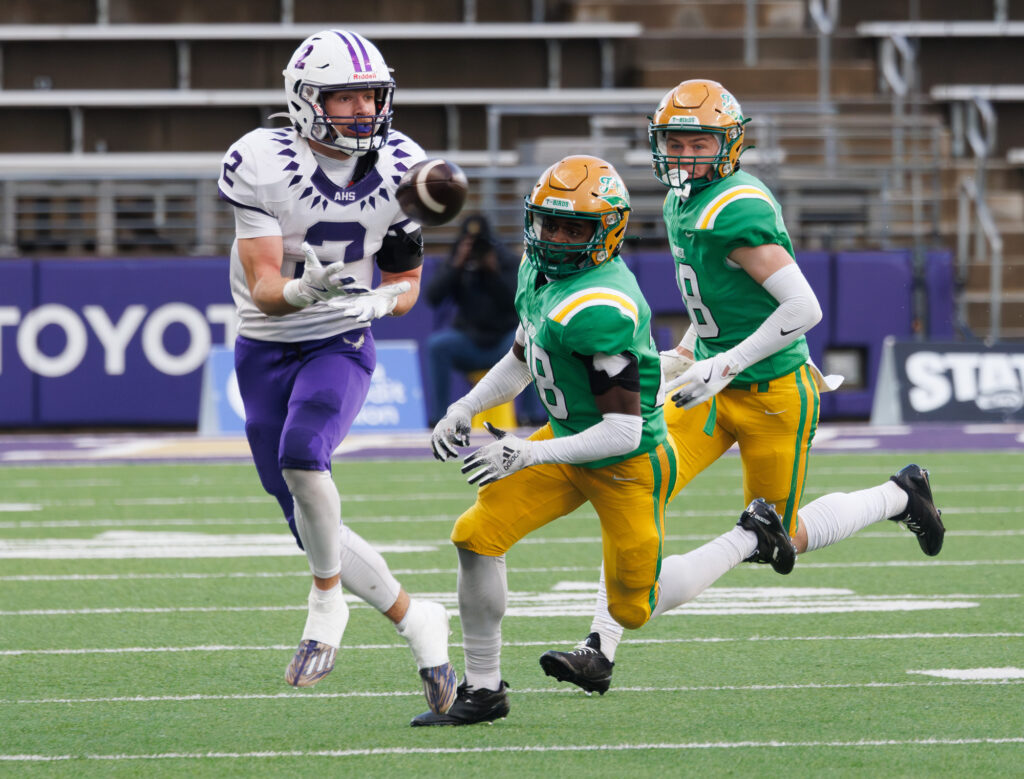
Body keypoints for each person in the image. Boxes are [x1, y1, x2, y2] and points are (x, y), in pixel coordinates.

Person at [537, 79, 946, 696]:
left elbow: (803, 307)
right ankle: (600, 647)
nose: (682, 153)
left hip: (774, 390)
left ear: (728, 144)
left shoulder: (735, 207)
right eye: (673, 139)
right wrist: (685, 353)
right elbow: (717, 304)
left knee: (783, 536)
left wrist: (722, 364)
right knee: (636, 487)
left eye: (696, 140)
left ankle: (900, 495)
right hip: (708, 383)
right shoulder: (683, 202)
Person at [410, 154, 797, 727]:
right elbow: (523, 355)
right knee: (477, 534)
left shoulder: (601, 306)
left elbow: (623, 429)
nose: (559, 238)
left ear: (606, 232)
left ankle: (750, 536)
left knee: (633, 609)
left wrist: (527, 450)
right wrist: (464, 407)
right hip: (565, 439)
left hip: (626, 463)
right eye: (550, 224)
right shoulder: (537, 273)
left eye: (575, 228)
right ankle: (484, 689)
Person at [216, 29, 456, 714]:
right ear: (304, 99)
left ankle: (325, 604)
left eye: (368, 95)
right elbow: (264, 282)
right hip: (265, 339)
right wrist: (301, 289)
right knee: (302, 513)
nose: (359, 109)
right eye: (343, 95)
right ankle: (418, 619)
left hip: (341, 340)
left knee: (302, 455)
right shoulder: (258, 160)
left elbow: (408, 280)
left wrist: (382, 298)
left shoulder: (405, 165)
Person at [424, 215, 519, 426]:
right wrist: (457, 266)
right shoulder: (457, 260)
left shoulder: (507, 260)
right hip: (468, 342)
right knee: (437, 346)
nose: (476, 249)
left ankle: (531, 416)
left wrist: (494, 272)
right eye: (470, 243)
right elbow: (433, 297)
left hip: (503, 343)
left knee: (526, 343)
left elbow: (518, 303)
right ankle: (438, 418)